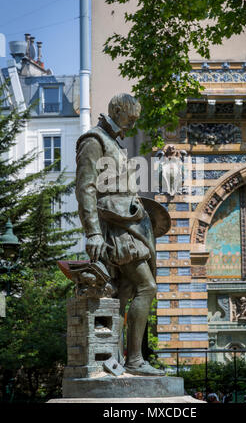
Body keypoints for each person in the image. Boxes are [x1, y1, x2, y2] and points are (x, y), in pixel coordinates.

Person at [75, 93, 167, 376]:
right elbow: (85, 188)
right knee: (147, 287)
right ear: (116, 110)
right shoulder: (94, 140)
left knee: (125, 292)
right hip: (115, 229)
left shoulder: (114, 142)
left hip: (128, 224)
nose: (133, 124)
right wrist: (92, 233)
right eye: (131, 118)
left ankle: (115, 361)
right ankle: (135, 361)